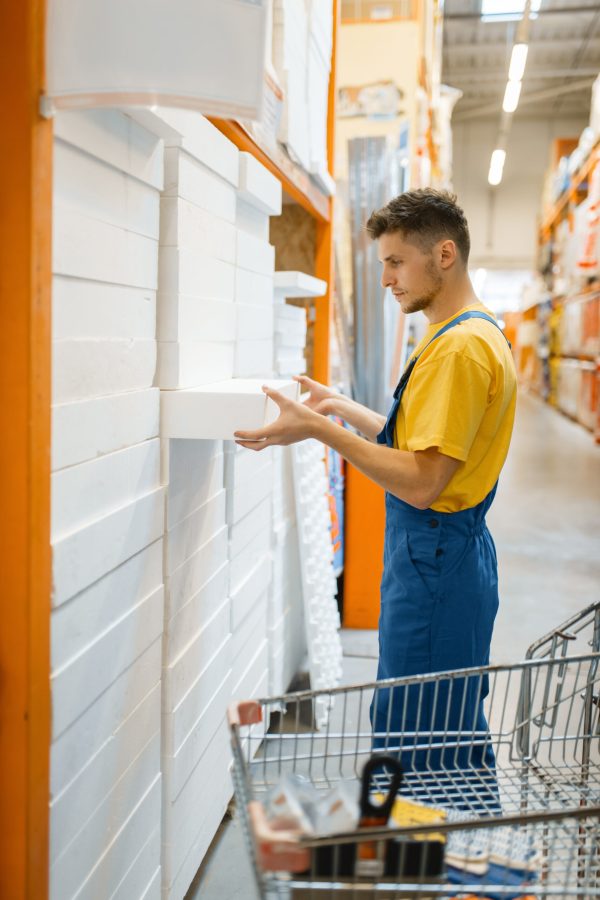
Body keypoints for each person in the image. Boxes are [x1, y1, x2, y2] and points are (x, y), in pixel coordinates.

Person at [234, 189, 517, 809]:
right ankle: (459, 859)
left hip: (436, 558)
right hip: (444, 554)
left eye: (396, 262)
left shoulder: (460, 349)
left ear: (444, 254)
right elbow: (424, 443)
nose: (385, 278)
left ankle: (447, 866)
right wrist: (341, 407)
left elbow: (422, 480)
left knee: (422, 734)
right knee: (444, 727)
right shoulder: (469, 333)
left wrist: (316, 429)